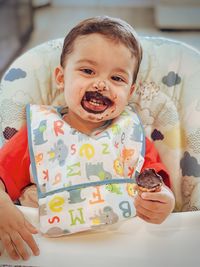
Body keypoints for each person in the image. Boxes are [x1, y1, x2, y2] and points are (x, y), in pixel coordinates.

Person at [0, 16, 175, 261]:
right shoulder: (37, 133)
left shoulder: (132, 136)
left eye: (117, 78)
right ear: (61, 78)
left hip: (122, 252)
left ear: (130, 91)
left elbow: (156, 183)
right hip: (48, 253)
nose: (101, 83)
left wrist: (164, 201)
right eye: (87, 70)